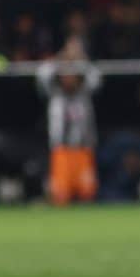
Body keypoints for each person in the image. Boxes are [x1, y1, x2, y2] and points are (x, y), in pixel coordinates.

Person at [37, 47, 100, 205]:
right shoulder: (55, 94)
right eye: (65, 75)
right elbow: (42, 74)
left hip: (83, 149)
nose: (68, 78)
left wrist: (79, 59)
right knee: (60, 195)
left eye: (72, 74)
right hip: (61, 151)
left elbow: (96, 76)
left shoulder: (84, 93)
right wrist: (61, 58)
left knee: (87, 193)